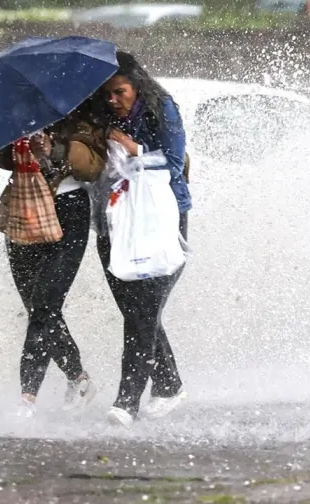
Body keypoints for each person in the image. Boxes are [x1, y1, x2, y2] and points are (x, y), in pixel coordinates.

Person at [91, 51, 192, 428]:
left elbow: (175, 160)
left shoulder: (161, 108)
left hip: (160, 219)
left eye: (120, 92)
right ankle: (169, 386)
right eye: (107, 96)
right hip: (112, 222)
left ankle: (126, 401)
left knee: (144, 311)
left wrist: (134, 150)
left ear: (137, 86)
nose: (114, 101)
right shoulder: (98, 120)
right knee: (135, 312)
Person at [0, 99, 108, 418]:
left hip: (70, 213)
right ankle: (80, 379)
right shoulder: (18, 111)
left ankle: (27, 397)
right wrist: (11, 137)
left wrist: (53, 148)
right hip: (24, 207)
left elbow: (93, 166)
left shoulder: (83, 112)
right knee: (36, 309)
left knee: (45, 305)